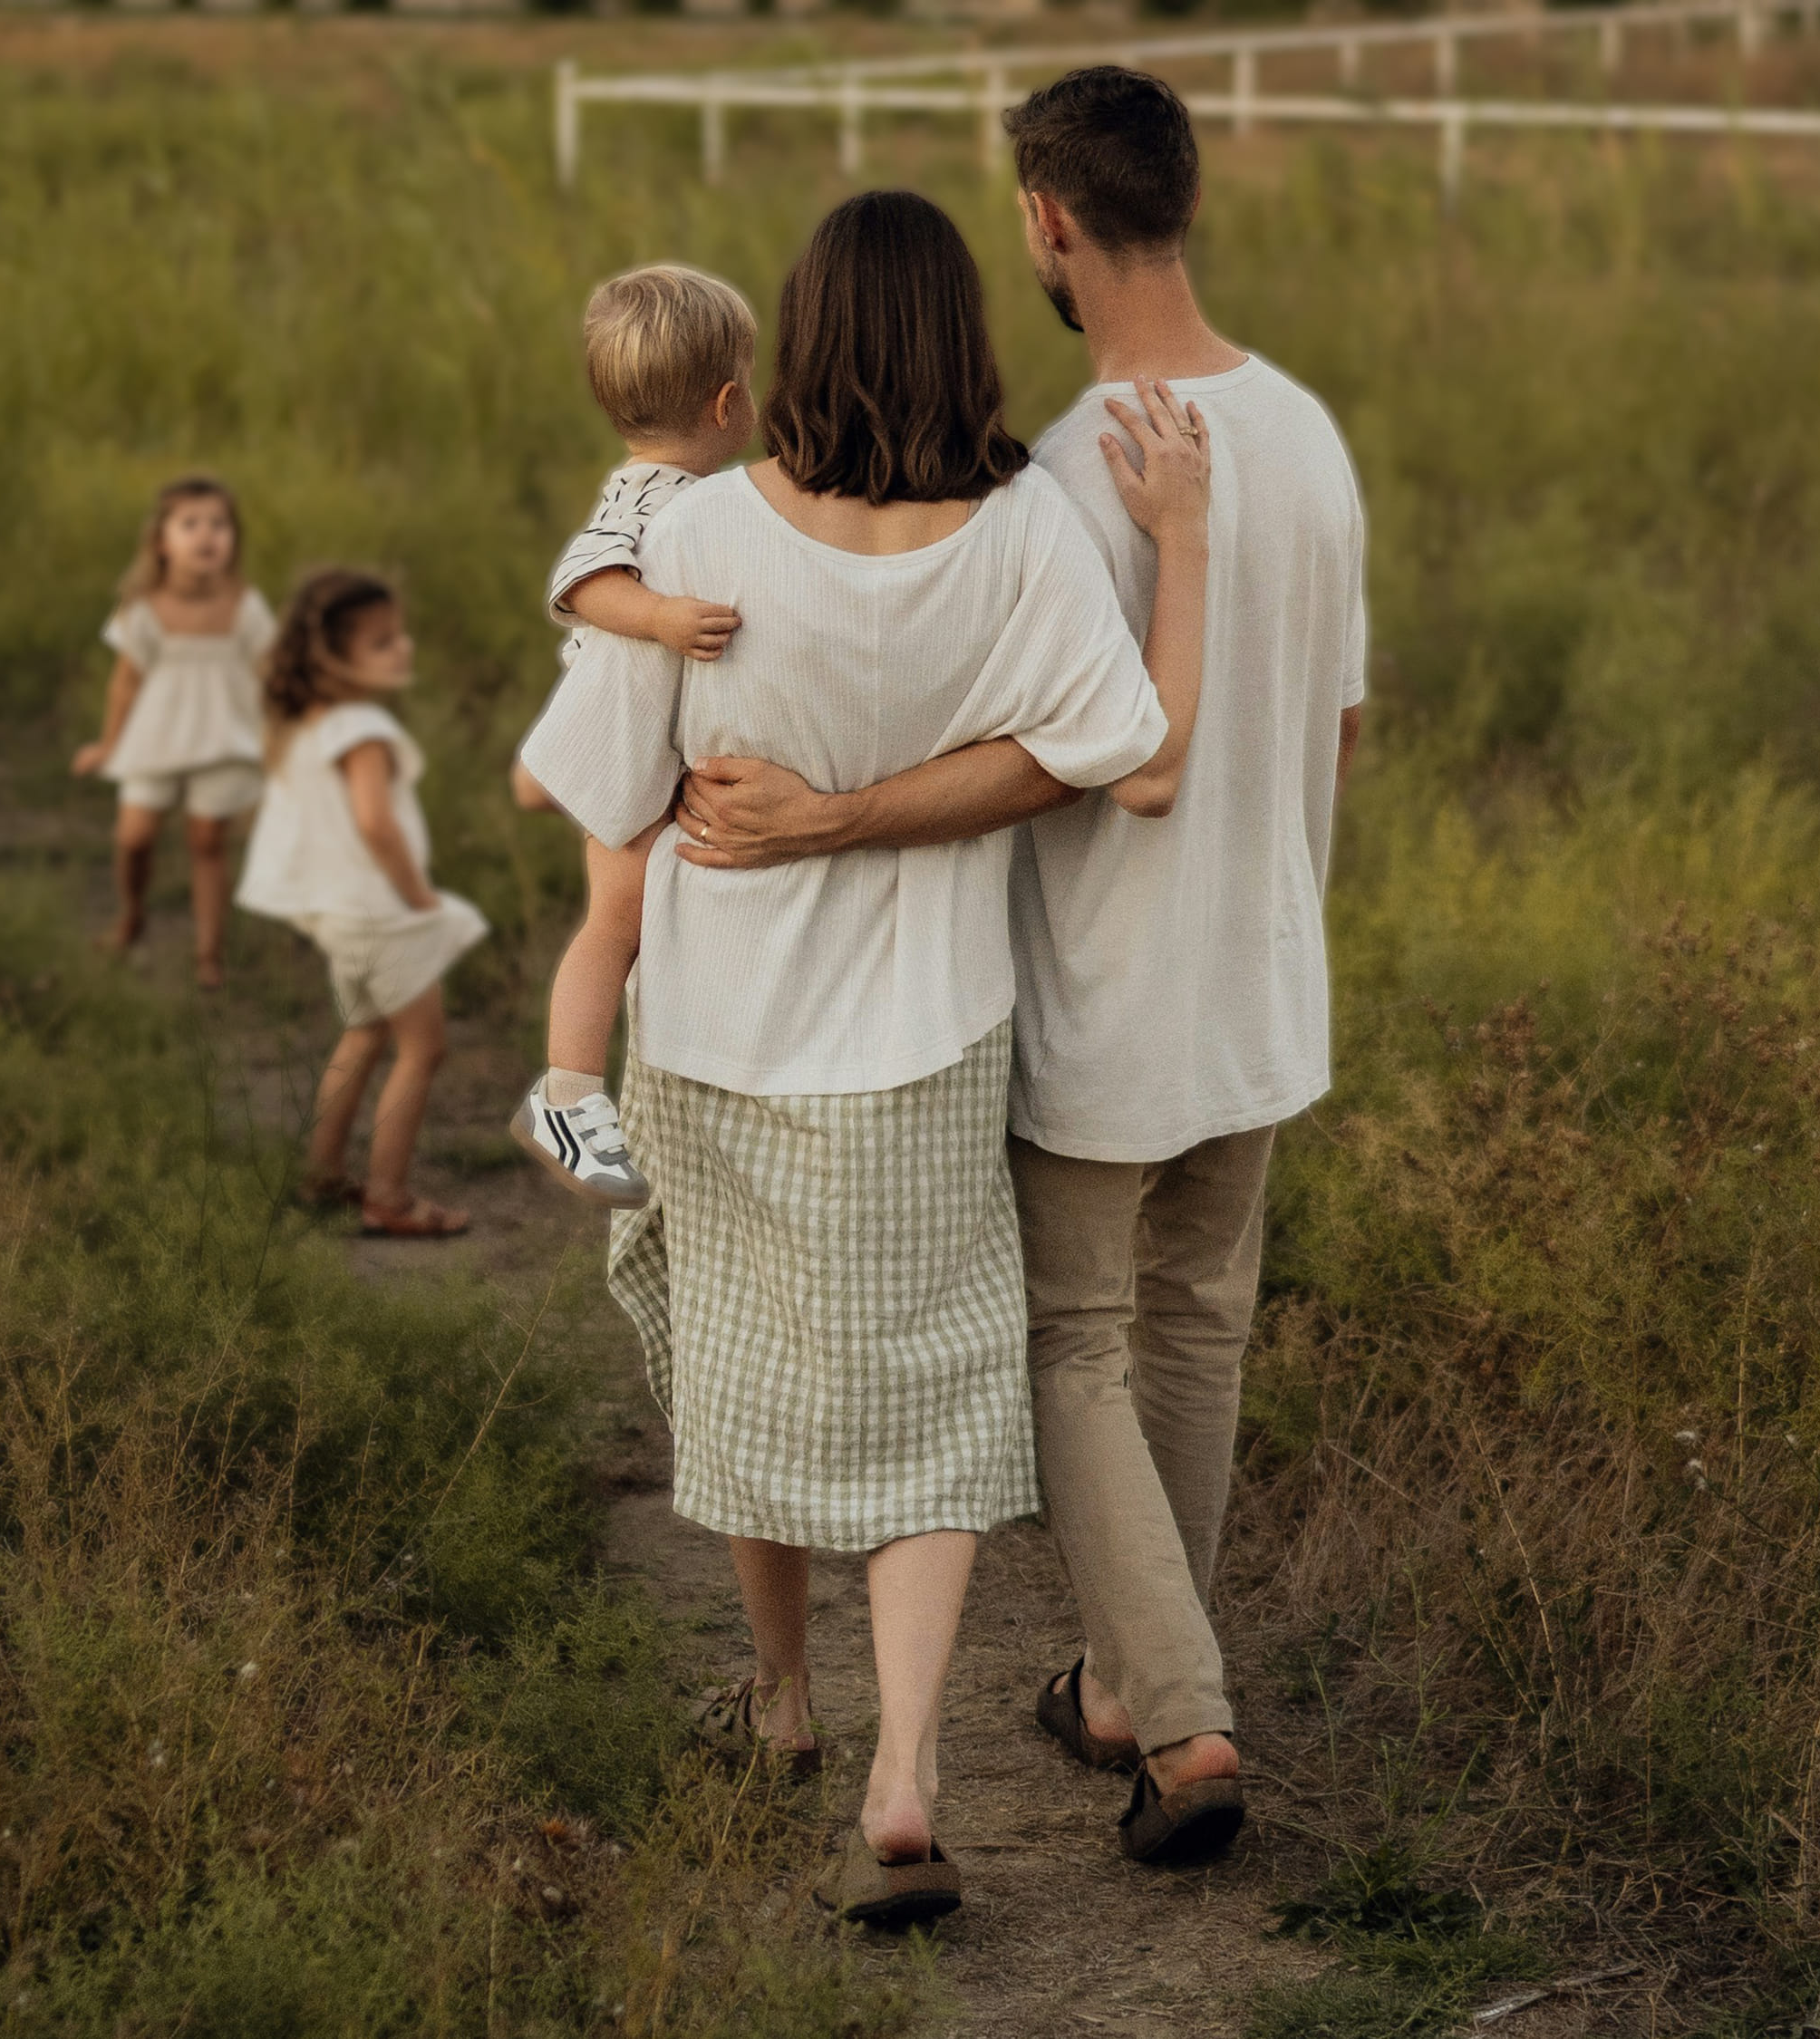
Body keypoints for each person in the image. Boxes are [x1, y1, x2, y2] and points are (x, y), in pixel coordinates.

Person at [673, 65, 1371, 1870]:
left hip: (1100, 1000)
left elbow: (1070, 763)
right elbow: (1340, 733)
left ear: (1046, 223)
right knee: (1194, 1336)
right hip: (1264, 982)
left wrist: (825, 819)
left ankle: (1181, 1713)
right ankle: (1128, 1682)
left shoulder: (1063, 482)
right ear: (1182, 199)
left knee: (1075, 1345)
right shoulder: (1303, 431)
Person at [519, 188, 1210, 1929]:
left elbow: (593, 788)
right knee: (925, 1399)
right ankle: (905, 1782)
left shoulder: (690, 543)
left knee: (750, 1365)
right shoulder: (1027, 530)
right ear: (961, 336)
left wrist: (793, 808)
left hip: (727, 1039)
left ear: (796, 344)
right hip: (924, 1044)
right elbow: (1116, 746)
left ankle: (780, 1701)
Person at [505, 263, 758, 1211]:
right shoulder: (654, 500)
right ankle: (566, 1095)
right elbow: (578, 582)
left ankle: (581, 1091)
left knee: (625, 922)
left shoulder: (667, 489)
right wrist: (655, 618)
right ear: (730, 401)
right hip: (622, 747)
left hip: (633, 741)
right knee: (614, 923)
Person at [237, 568, 488, 1240]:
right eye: (382, 642)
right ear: (331, 657)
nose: (402, 647)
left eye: (398, 634)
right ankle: (390, 1198)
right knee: (423, 1048)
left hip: (337, 915)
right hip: (380, 914)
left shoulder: (303, 721)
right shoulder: (362, 728)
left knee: (366, 1032)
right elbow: (377, 824)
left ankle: (321, 1175)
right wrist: (418, 897)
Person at [75, 475, 272, 988]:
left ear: (234, 540)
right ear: (161, 541)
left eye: (220, 525)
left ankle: (209, 953)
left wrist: (282, 740)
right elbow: (124, 684)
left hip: (227, 739)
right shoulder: (144, 609)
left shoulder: (245, 606)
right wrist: (109, 745)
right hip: (154, 739)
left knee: (208, 842)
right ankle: (132, 915)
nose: (207, 536)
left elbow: (270, 676)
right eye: (191, 524)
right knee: (135, 836)